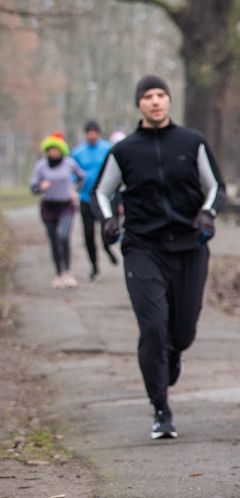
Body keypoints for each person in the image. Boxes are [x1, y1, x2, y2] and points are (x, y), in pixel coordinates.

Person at [93, 75, 225, 440]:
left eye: (161, 95)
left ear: (169, 101)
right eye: (148, 96)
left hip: (189, 245)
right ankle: (161, 408)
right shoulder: (124, 151)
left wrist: (208, 213)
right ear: (139, 104)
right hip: (143, 247)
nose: (155, 102)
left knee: (182, 331)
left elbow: (216, 186)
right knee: (152, 326)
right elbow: (100, 193)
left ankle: (174, 350)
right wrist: (107, 220)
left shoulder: (191, 142)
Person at [30, 132, 85, 289]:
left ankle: (68, 272)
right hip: (48, 207)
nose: (54, 152)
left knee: (63, 236)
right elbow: (33, 187)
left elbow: (82, 176)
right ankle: (59, 273)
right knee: (54, 240)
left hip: (66, 205)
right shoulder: (41, 165)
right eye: (51, 149)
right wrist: (41, 187)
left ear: (62, 150)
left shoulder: (69, 163)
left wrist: (75, 190)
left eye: (56, 149)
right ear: (47, 150)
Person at [72, 120, 117, 281]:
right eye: (89, 132)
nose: (91, 135)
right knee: (88, 234)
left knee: (107, 229)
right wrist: (73, 188)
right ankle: (94, 267)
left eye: (94, 132)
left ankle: (108, 248)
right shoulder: (78, 152)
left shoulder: (107, 149)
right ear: (85, 134)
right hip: (85, 198)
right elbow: (72, 174)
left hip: (104, 198)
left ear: (98, 133)